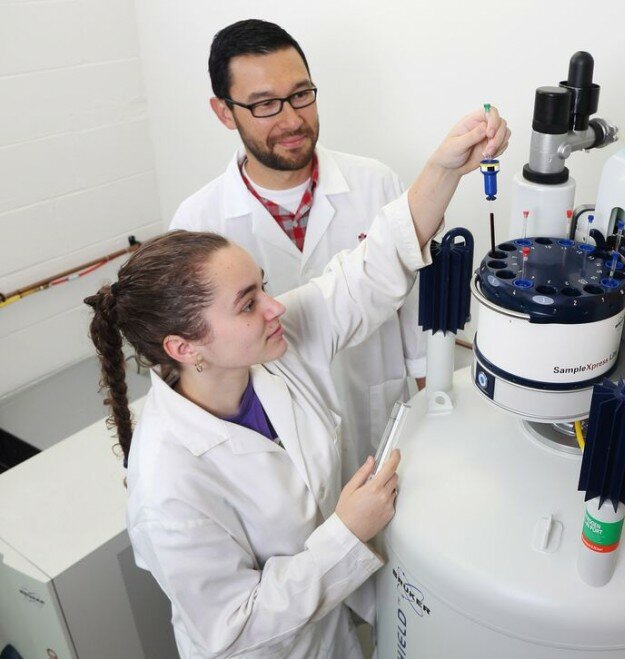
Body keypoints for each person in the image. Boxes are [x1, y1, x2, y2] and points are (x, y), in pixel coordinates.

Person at [86, 108, 509, 658]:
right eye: (248, 303)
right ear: (184, 348)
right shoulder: (168, 485)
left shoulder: (267, 354)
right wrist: (346, 535)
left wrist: (446, 166)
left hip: (330, 630)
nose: (273, 305)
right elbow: (232, 629)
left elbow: (368, 270)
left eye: (261, 286)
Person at [170, 19, 426, 481]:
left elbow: (416, 320)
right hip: (277, 444)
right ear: (225, 112)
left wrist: (431, 410)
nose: (292, 119)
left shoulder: (376, 183)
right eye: (265, 104)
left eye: (301, 94)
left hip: (378, 408)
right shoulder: (197, 221)